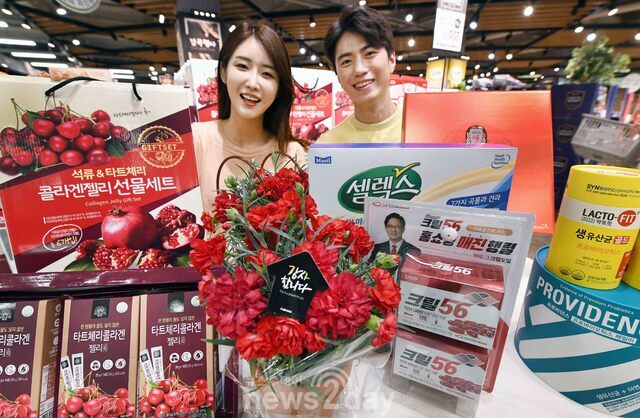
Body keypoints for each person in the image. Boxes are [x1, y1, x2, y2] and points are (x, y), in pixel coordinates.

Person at [192, 21, 307, 211]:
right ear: (223, 71)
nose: (253, 83)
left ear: (279, 88)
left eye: (267, 74)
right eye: (242, 66)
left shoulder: (291, 153)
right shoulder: (195, 140)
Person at [319, 6, 401, 143]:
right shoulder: (328, 146)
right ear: (337, 75)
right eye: (346, 61)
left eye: (369, 54)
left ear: (391, 60)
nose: (359, 69)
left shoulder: (425, 128)